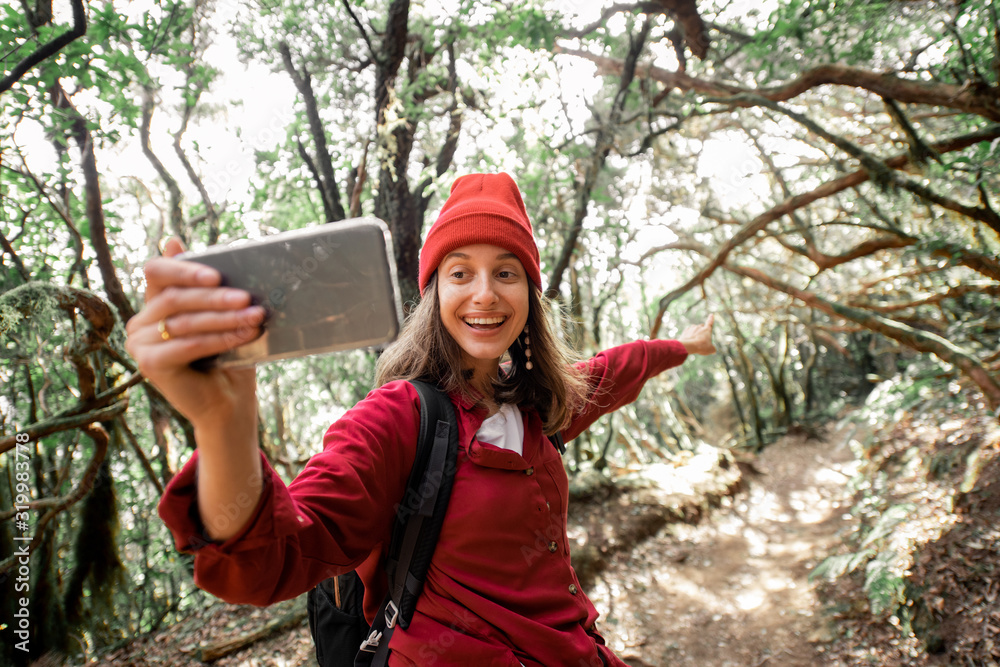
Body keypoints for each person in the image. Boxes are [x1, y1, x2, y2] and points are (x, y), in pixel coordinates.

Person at [126, 173, 716, 667]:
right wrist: (223, 425)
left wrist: (683, 348)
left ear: (530, 294)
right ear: (432, 293)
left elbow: (615, 370)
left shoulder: (539, 407)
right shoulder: (400, 416)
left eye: (507, 272)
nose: (484, 294)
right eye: (460, 272)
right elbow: (274, 559)